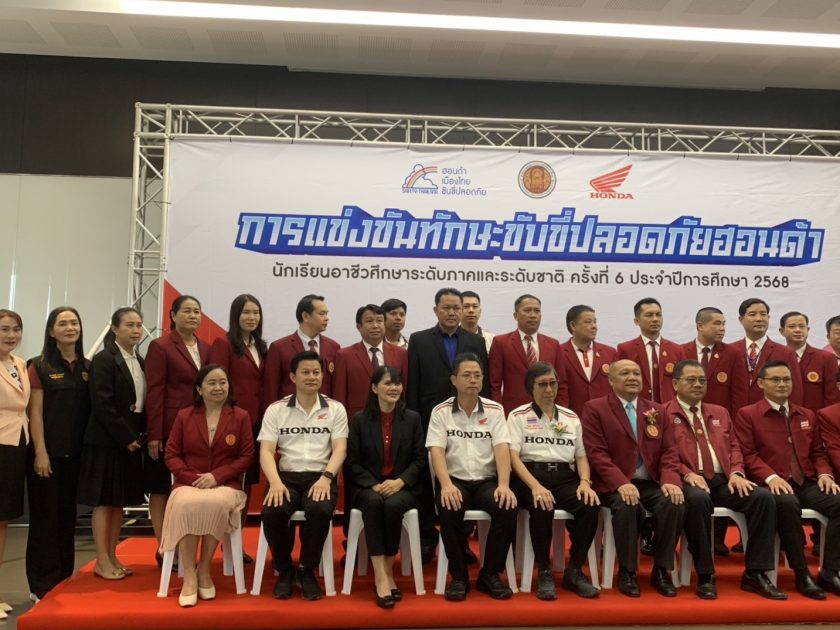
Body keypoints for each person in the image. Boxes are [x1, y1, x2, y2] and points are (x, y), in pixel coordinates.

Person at [665, 360, 784, 600]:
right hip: (687, 480)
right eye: (691, 380)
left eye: (702, 380)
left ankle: (755, 573)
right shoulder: (663, 413)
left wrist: (737, 473)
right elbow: (662, 453)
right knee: (698, 500)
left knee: (762, 498)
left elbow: (735, 447)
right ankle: (706, 573)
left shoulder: (719, 412)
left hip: (723, 480)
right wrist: (686, 473)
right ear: (675, 384)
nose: (698, 384)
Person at [734, 360, 840, 599]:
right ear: (761, 383)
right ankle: (801, 573)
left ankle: (830, 572)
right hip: (772, 482)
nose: (782, 384)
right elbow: (748, 455)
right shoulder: (748, 414)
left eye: (786, 380)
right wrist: (770, 477)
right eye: (775, 380)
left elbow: (818, 453)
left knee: (838, 502)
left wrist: (825, 474)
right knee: (788, 504)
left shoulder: (806, 414)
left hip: (806, 481)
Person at [581, 359, 685, 598]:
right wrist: (621, 483)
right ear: (611, 380)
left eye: (636, 373)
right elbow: (596, 453)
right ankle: (628, 572)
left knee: (674, 502)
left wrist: (670, 480)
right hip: (613, 484)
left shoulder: (656, 410)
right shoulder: (595, 408)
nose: (632, 378)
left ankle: (662, 570)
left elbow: (669, 450)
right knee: (628, 505)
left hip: (648, 482)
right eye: (625, 373)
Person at [161, 364, 255, 607]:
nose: (218, 387)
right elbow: (171, 455)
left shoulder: (241, 416)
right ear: (199, 389)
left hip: (226, 484)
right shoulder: (184, 416)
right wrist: (194, 478)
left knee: (217, 503)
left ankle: (204, 569)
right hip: (188, 483)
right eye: (212, 383)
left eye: (223, 382)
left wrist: (216, 477)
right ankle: (189, 576)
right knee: (186, 504)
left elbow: (246, 457)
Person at [426, 352, 517, 601]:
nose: (473, 380)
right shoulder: (441, 411)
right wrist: (445, 485)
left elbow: (502, 449)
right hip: (455, 481)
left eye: (477, 375)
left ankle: (490, 574)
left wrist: (504, 485)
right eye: (466, 375)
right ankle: (459, 577)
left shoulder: (495, 410)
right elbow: (436, 451)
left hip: (487, 481)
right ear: (454, 380)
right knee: (449, 507)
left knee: (507, 506)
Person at [407, 288, 489, 562]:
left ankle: (460, 541)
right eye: (447, 307)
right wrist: (414, 423)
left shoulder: (475, 341)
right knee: (426, 481)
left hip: (468, 421)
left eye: (457, 307)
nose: (453, 312)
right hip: (429, 418)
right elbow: (413, 384)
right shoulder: (419, 340)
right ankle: (428, 538)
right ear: (436, 310)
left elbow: (484, 384)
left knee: (462, 477)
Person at [259, 350, 348, 601]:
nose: (312, 377)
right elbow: (266, 451)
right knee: (272, 512)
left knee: (319, 510)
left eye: (316, 372)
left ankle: (307, 569)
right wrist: (275, 482)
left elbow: (340, 448)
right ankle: (285, 570)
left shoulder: (335, 409)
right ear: (292, 377)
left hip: (320, 476)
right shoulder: (276, 410)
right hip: (285, 477)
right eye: (306, 372)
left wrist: (326, 478)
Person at [508, 361, 600, 600]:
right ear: (531, 387)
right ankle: (544, 570)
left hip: (564, 476)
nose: (549, 389)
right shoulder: (518, 416)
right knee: (542, 504)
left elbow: (581, 456)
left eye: (553, 383)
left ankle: (574, 570)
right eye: (542, 385)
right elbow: (512, 457)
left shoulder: (570, 417)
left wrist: (585, 482)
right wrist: (535, 486)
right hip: (530, 476)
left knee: (590, 504)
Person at [346, 366, 425, 608]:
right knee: (373, 503)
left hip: (402, 487)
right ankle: (381, 576)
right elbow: (352, 462)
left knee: (392, 506)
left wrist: (400, 481)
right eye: (388, 383)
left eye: (397, 383)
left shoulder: (412, 418)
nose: (394, 388)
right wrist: (373, 484)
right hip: (368, 487)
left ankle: (388, 570)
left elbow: (420, 459)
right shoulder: (359, 420)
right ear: (374, 388)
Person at [25, 307, 91, 600]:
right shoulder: (38, 366)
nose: (70, 328)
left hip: (77, 458)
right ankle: (41, 585)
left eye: (74, 323)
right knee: (44, 520)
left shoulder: (89, 367)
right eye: (62, 323)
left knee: (67, 519)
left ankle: (64, 578)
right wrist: (41, 451)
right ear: (51, 331)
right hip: (46, 457)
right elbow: (35, 413)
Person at [78, 307, 146, 581]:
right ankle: (101, 560)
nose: (136, 330)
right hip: (106, 442)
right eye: (129, 325)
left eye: (139, 325)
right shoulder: (104, 359)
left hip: (130, 442)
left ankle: (113, 555)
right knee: (104, 503)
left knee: (119, 503)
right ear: (115, 329)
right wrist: (126, 437)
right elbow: (102, 404)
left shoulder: (139, 360)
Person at [145, 295, 211, 557]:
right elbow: (155, 391)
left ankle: (186, 547)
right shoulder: (160, 346)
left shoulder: (205, 347)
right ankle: (164, 547)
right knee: (161, 487)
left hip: (199, 427)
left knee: (189, 487)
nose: (193, 316)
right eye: (187, 311)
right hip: (168, 428)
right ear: (173, 316)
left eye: (197, 311)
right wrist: (154, 434)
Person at [208, 293, 267, 556]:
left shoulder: (261, 346)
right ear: (236, 316)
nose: (251, 317)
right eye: (246, 312)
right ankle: (219, 538)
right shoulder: (223, 344)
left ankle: (235, 542)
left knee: (248, 483)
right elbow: (218, 383)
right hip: (232, 421)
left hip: (257, 423)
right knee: (230, 482)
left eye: (255, 312)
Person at [490, 294, 568, 415]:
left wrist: (561, 414)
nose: (533, 315)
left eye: (537, 311)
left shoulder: (553, 344)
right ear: (515, 315)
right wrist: (498, 415)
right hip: (513, 413)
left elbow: (561, 384)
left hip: (548, 412)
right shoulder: (501, 343)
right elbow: (494, 385)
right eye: (527, 310)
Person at [0, 309, 29, 618]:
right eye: (4, 329)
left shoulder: (20, 363)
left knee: (4, 519)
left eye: (16, 329)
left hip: (16, 443)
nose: (11, 335)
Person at [333, 304, 409, 420]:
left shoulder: (401, 353)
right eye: (369, 321)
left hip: (394, 418)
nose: (375, 325)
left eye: (379, 321)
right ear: (359, 327)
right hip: (358, 420)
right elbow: (339, 394)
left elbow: (405, 389)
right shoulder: (344, 355)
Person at [263, 294, 340, 406]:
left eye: (326, 314)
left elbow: (337, 387)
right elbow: (270, 389)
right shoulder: (279, 348)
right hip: (289, 412)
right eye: (322, 314)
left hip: (325, 412)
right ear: (305, 316)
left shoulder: (333, 347)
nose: (326, 318)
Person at [730, 298, 802, 412]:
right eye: (752, 314)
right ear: (741, 319)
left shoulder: (786, 353)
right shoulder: (730, 350)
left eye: (763, 314)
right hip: (735, 415)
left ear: (768, 318)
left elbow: (795, 391)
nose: (759, 319)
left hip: (772, 415)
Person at [616, 298, 684, 404]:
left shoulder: (676, 350)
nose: (655, 319)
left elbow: (683, 383)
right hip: (638, 406)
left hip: (670, 408)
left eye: (658, 315)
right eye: (649, 315)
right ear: (636, 321)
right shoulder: (625, 349)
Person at [679, 307, 744, 415]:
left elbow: (739, 394)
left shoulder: (733, 353)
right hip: (686, 415)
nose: (722, 328)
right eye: (717, 324)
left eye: (723, 324)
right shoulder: (681, 351)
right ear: (700, 326)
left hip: (719, 418)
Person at [558, 305, 616, 416]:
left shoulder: (610, 353)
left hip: (606, 417)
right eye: (588, 322)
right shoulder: (559, 353)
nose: (594, 326)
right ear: (573, 325)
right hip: (572, 417)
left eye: (595, 322)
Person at [779, 311, 839, 412]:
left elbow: (832, 397)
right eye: (792, 326)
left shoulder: (826, 358)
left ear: (808, 329)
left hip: (815, 418)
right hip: (782, 416)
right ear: (782, 331)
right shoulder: (775, 357)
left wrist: (825, 419)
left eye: (802, 326)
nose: (798, 330)